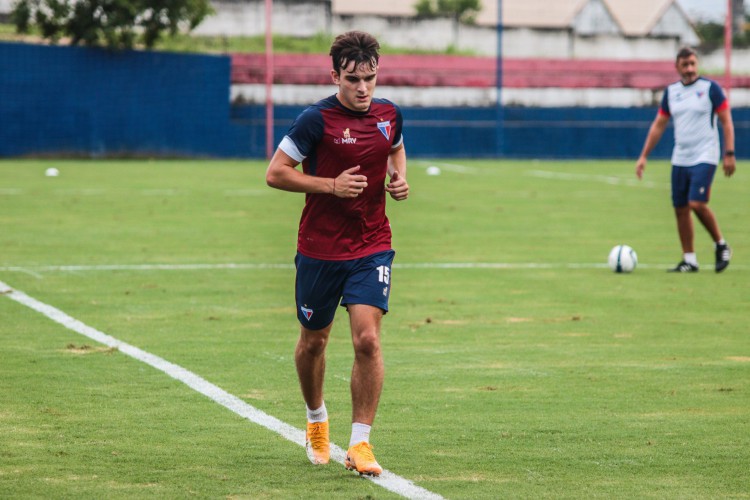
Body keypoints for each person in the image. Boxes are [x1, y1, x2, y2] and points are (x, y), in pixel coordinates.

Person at [265, 31, 409, 476]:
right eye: (352, 80)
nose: (363, 88)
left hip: (371, 244)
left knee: (367, 338)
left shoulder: (389, 115)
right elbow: (275, 173)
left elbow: (396, 148)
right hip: (320, 249)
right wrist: (331, 185)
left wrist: (399, 179)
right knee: (314, 343)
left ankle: (361, 443)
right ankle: (315, 420)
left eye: (369, 78)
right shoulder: (315, 120)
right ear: (335, 76)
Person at [636, 46, 736, 273]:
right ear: (677, 67)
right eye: (685, 65)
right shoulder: (671, 92)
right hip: (680, 157)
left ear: (697, 64)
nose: (690, 69)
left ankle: (721, 244)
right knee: (680, 208)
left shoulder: (711, 89)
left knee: (697, 204)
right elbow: (658, 125)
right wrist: (643, 156)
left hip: (705, 154)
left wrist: (729, 153)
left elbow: (726, 121)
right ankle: (689, 259)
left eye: (692, 63)